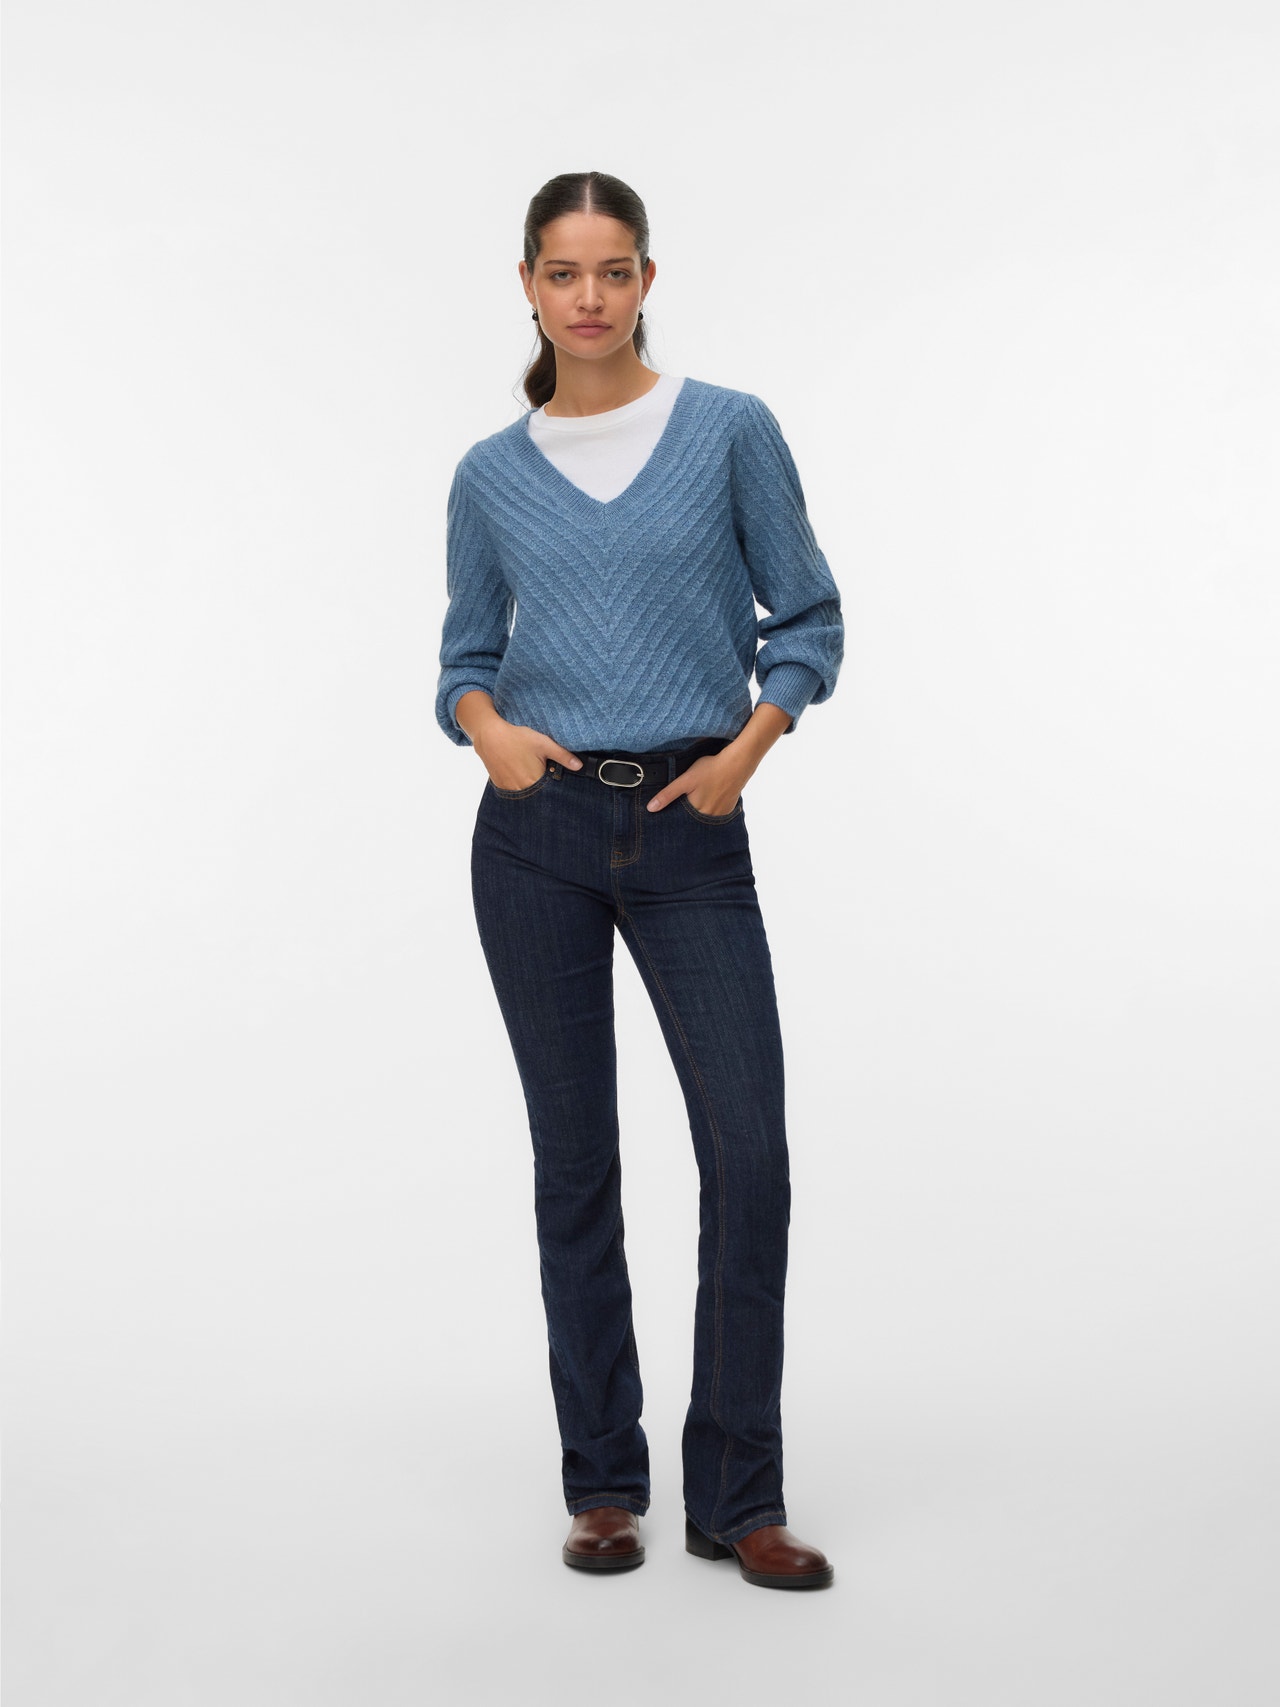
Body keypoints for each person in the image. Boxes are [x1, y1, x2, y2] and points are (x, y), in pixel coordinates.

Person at [434, 171, 844, 1591]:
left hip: (691, 827)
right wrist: (486, 729)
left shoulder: (728, 430)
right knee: (577, 1162)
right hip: (534, 836)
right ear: (529, 286)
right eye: (564, 273)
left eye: (614, 271)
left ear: (648, 280)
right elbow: (465, 657)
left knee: (749, 1155)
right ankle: (604, 1484)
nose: (590, 297)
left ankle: (739, 1495)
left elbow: (808, 614)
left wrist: (749, 748)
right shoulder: (491, 473)